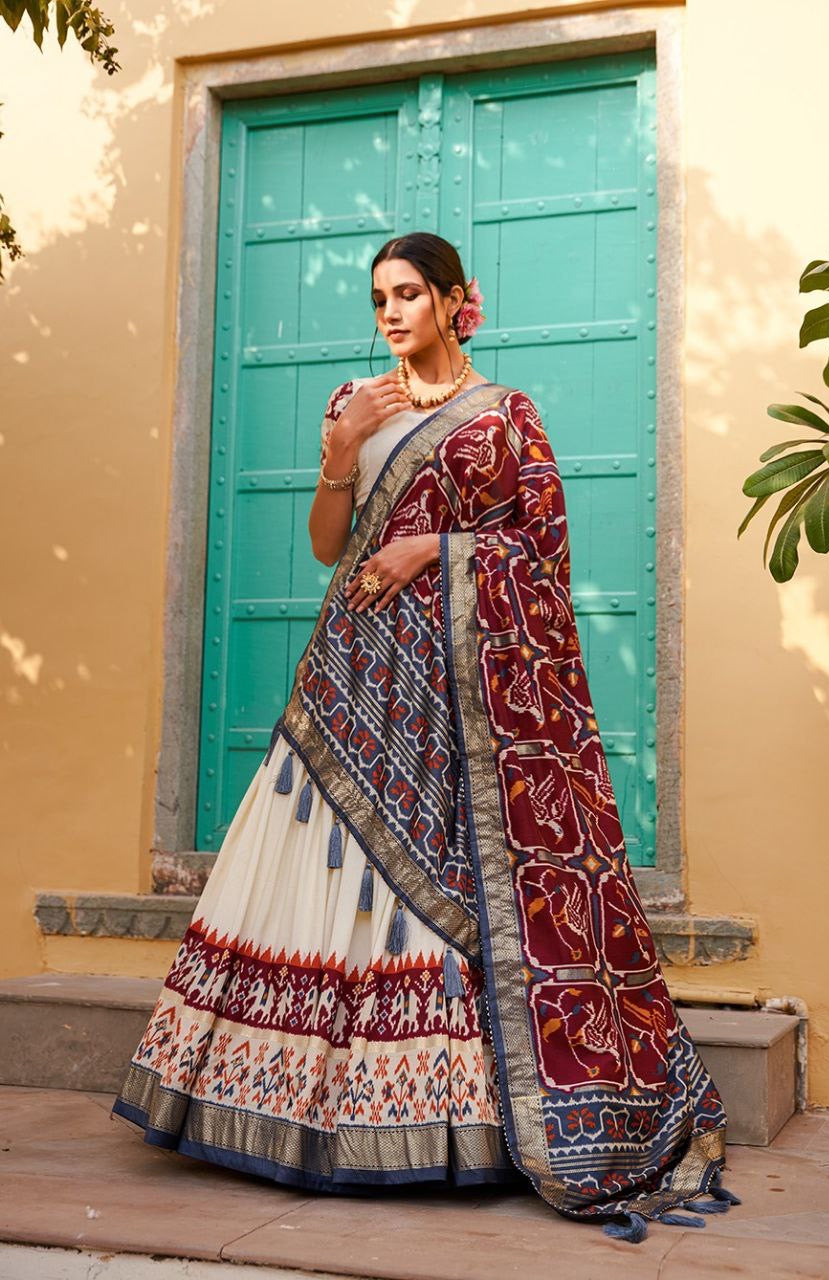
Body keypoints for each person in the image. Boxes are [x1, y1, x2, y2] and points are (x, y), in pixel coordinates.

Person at [111, 231, 740, 1244]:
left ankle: (451, 1123)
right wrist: (337, 454)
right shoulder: (357, 403)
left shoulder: (504, 416)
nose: (392, 313)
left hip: (463, 694)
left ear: (455, 300)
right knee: (327, 872)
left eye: (408, 294)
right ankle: (287, 1108)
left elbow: (542, 549)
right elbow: (328, 546)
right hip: (351, 677)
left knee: (446, 878)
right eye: (379, 298)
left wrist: (434, 548)